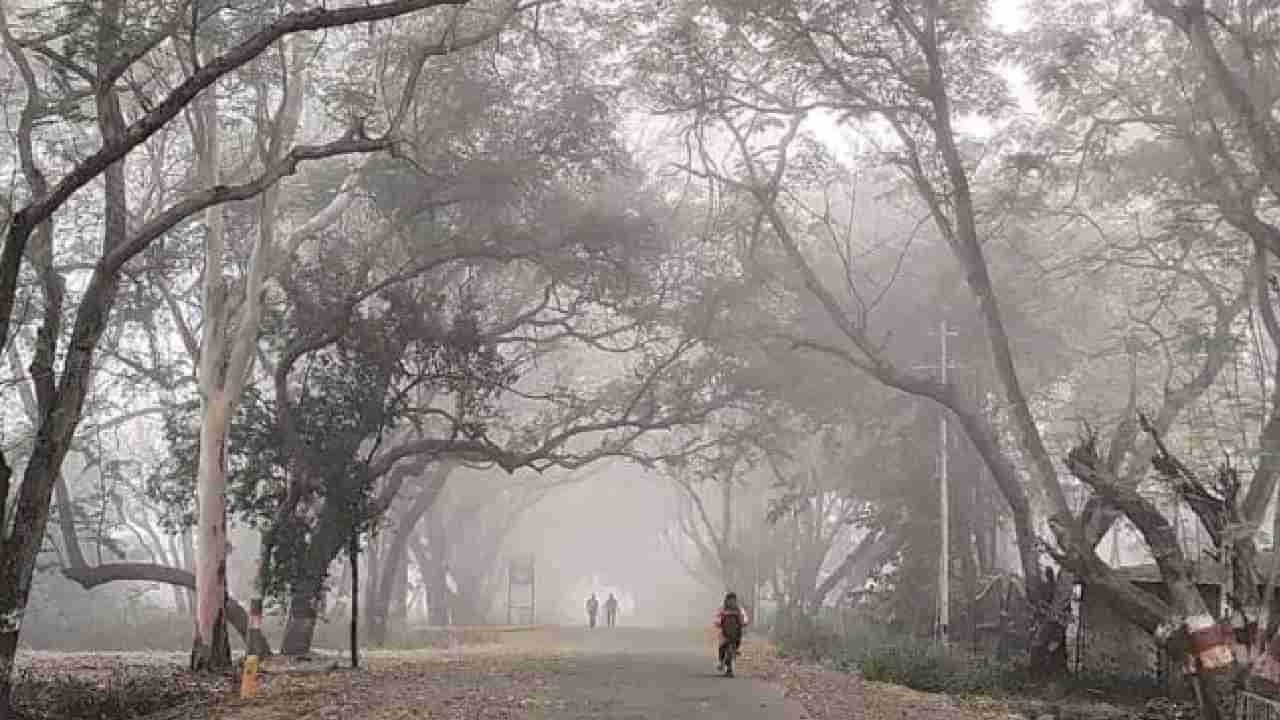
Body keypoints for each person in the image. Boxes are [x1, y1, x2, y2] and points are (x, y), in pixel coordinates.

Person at [714, 592, 749, 677]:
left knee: (735, 646)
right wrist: (718, 622)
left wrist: (744, 622)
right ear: (726, 600)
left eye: (733, 600)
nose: (731, 602)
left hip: (736, 633)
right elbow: (717, 618)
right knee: (721, 646)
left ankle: (730, 665)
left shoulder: (739, 609)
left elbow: (745, 618)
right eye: (730, 600)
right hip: (724, 633)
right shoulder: (722, 609)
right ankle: (721, 661)